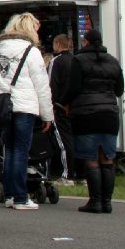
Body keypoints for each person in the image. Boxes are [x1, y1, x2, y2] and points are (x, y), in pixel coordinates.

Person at [0, 12, 54, 210]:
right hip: (24, 106)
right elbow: (41, 85)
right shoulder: (31, 52)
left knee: (8, 150)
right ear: (29, 29)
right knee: (21, 152)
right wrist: (47, 114)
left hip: (4, 106)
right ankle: (21, 197)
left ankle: (9, 194)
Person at [67, 29, 125, 214]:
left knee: (91, 158)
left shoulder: (78, 61)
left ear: (85, 42)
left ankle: (95, 200)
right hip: (109, 114)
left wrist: (65, 103)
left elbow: (73, 88)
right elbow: (119, 90)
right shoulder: (113, 62)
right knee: (107, 158)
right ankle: (107, 202)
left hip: (86, 114)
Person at [47, 34, 76, 183]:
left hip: (60, 107)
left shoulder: (56, 62)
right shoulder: (75, 60)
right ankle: (79, 173)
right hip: (75, 107)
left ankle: (67, 174)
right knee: (74, 139)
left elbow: (51, 85)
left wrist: (51, 105)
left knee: (64, 141)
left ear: (57, 44)